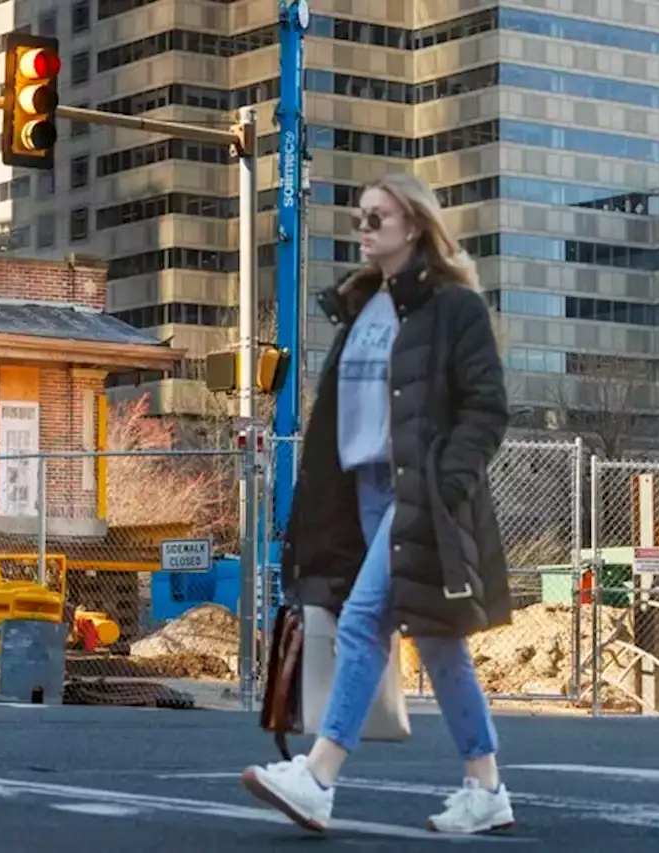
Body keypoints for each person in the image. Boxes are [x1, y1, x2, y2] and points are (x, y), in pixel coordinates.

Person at [241, 172, 515, 836]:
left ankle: (317, 775)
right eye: (360, 218)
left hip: (416, 493)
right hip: (361, 493)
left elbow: (487, 407)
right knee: (438, 639)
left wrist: (444, 487)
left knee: (364, 621)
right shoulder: (363, 305)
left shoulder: (454, 308)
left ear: (415, 225)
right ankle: (487, 787)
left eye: (378, 218)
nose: (364, 229)